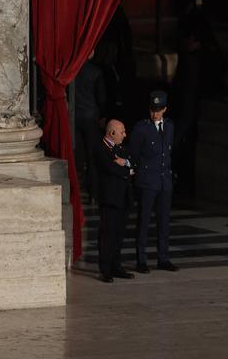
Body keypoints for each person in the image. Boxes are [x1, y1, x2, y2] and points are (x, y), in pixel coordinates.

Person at [129, 90, 178, 273]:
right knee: (144, 221)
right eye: (152, 109)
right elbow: (133, 153)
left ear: (165, 109)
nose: (154, 113)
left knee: (164, 222)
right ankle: (141, 259)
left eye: (158, 109)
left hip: (164, 181)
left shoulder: (170, 126)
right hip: (148, 181)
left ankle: (163, 258)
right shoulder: (141, 128)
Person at [93, 119, 135, 282]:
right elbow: (110, 168)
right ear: (112, 133)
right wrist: (126, 170)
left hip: (123, 197)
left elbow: (133, 165)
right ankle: (106, 268)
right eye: (122, 132)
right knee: (107, 234)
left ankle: (116, 265)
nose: (125, 135)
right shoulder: (100, 148)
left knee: (119, 234)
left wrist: (125, 164)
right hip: (110, 198)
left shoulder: (121, 149)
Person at [73, 50, 107, 201]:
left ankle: (76, 192)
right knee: (92, 156)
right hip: (91, 116)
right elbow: (101, 97)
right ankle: (93, 192)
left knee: (77, 156)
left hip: (74, 116)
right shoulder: (95, 72)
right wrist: (103, 115)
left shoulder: (72, 69)